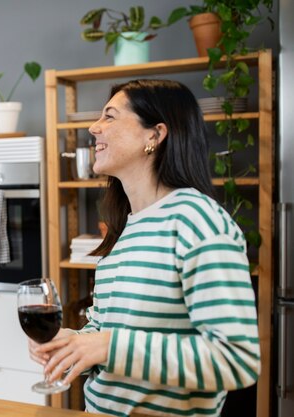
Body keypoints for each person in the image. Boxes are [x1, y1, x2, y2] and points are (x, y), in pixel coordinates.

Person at [30, 79, 260, 417]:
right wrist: (75, 342)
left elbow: (236, 359)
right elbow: (109, 331)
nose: (94, 128)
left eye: (110, 116)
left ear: (154, 135)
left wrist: (108, 347)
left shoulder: (196, 220)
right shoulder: (128, 228)